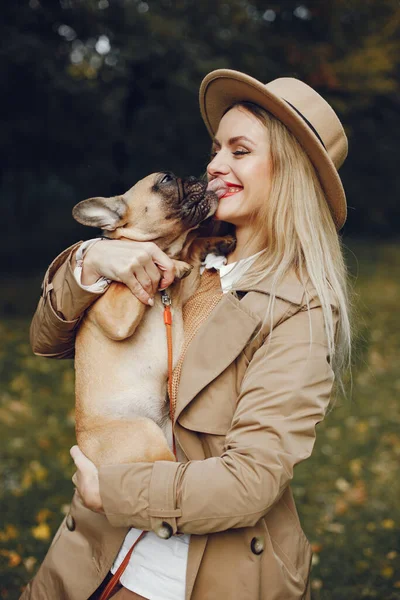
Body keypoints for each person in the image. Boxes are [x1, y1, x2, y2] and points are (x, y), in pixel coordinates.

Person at [21, 69, 351, 600]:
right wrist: (91, 258)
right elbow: (46, 338)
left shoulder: (300, 311)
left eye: (240, 151)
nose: (215, 165)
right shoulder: (187, 254)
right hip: (93, 565)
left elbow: (250, 483)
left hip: (191, 579)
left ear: (288, 173)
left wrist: (113, 489)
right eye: (216, 149)